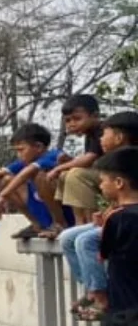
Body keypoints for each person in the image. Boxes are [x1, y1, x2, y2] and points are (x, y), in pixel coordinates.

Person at [61, 111, 138, 321]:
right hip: (118, 216)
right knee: (67, 238)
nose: (101, 139)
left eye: (105, 133)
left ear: (120, 137)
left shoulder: (130, 161)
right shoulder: (113, 162)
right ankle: (92, 289)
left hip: (127, 220)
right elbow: (120, 198)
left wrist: (109, 220)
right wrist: (106, 215)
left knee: (86, 241)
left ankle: (102, 299)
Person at [0, 123, 74, 239]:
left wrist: (3, 195)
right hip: (45, 216)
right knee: (6, 180)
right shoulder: (24, 163)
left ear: (39, 147)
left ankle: (60, 224)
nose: (19, 155)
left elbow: (26, 173)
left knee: (41, 176)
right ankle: (37, 225)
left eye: (21, 150)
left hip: (67, 214)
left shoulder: (53, 155)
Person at [48, 94, 105, 227]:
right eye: (68, 121)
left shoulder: (101, 130)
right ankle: (78, 221)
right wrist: (69, 162)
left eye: (77, 119)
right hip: (105, 173)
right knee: (65, 175)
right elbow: (92, 160)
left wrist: (59, 167)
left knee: (75, 175)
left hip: (120, 174)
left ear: (95, 116)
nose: (72, 124)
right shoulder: (90, 134)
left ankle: (89, 222)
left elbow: (88, 159)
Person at [99, 147, 138, 314]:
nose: (100, 186)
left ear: (119, 183)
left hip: (125, 296)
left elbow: (103, 254)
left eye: (102, 181)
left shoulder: (115, 217)